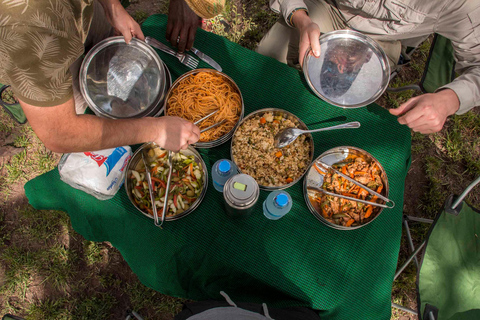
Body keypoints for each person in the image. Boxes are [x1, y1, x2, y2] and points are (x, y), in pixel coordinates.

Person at [0, 0, 200, 153]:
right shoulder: (27, 33)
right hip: (42, 41)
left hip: (76, 12)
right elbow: (60, 133)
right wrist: (156, 130)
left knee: (107, 44)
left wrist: (111, 6)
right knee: (88, 115)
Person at [256, 0, 480, 134]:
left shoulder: (462, 4)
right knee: (263, 68)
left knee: (336, 108)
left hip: (383, 39)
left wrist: (449, 100)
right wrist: (300, 18)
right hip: (327, 9)